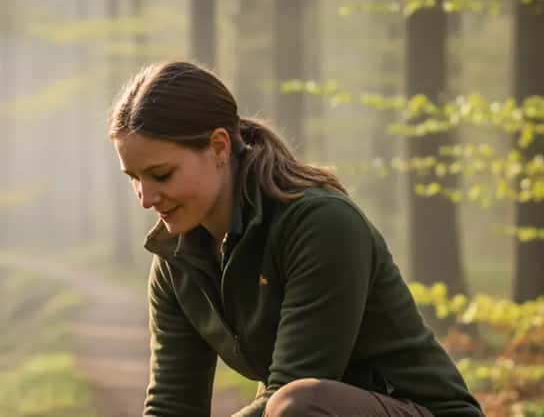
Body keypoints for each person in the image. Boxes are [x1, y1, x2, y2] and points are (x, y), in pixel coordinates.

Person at [108, 61, 484, 417]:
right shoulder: (176, 261)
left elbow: (295, 389)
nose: (146, 198)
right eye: (134, 178)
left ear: (219, 146)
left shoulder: (321, 224)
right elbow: (172, 406)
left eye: (161, 174)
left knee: (297, 406)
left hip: (418, 411)